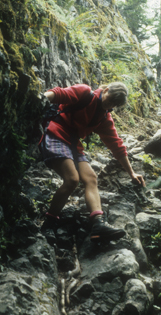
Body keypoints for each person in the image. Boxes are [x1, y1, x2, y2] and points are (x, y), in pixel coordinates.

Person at [40, 82, 145, 242]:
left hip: (73, 143)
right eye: (109, 99)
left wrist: (131, 173)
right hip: (55, 132)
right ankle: (49, 222)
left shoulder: (104, 118)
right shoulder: (84, 92)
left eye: (113, 105)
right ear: (106, 90)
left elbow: (116, 145)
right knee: (72, 180)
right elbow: (59, 93)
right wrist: (41, 99)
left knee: (91, 178)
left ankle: (98, 224)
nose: (108, 105)